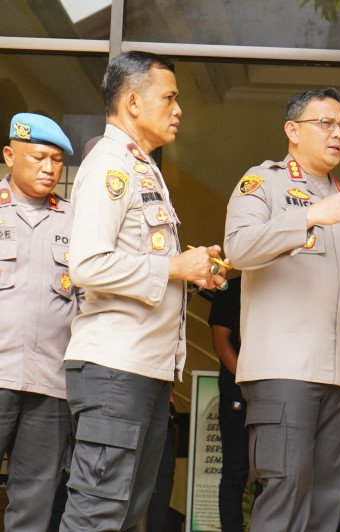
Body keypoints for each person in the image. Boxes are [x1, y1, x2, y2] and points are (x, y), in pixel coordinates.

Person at [60, 50, 229, 531]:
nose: (179, 110)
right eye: (170, 98)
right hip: (116, 369)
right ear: (133, 102)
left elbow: (147, 268)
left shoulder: (145, 168)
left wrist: (192, 272)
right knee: (98, 515)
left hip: (145, 371)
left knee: (129, 516)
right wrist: (175, 265)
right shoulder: (110, 167)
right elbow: (88, 264)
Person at [224, 87, 340, 531]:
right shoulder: (262, 183)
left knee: (328, 502)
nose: (338, 134)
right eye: (325, 124)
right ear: (292, 130)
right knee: (285, 492)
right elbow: (238, 248)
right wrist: (309, 217)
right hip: (285, 373)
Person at [0, 113, 79, 530]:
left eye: (56, 160)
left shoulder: (76, 221)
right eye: (38, 157)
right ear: (10, 155)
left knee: (34, 503)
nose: (49, 168)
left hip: (51, 385)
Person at [207, 275, 252, 531]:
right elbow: (220, 342)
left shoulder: (278, 287)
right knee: (236, 471)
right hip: (238, 394)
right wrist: (248, 382)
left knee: (269, 473)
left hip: (275, 394)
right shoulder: (229, 288)